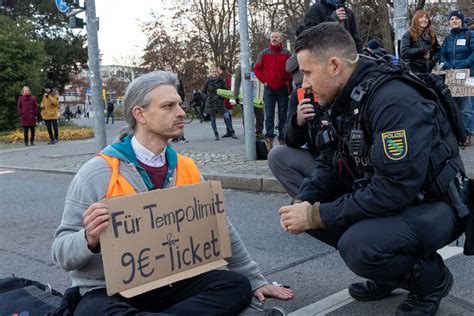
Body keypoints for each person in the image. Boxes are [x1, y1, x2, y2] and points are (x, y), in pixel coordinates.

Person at [51, 71, 293, 315]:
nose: (181, 112)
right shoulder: (97, 172)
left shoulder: (185, 167)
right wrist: (88, 239)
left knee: (236, 286)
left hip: (171, 282)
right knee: (91, 310)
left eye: (179, 104)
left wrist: (255, 279)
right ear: (140, 114)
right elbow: (61, 251)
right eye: (169, 106)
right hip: (112, 291)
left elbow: (220, 227)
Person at [279, 23, 466, 315]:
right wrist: (305, 200)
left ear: (334, 66)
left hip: (434, 204)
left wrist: (318, 215)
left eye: (307, 72)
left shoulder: (393, 100)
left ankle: (431, 281)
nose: (303, 83)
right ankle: (387, 273)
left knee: (359, 245)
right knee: (306, 210)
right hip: (392, 195)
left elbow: (394, 189)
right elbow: (331, 158)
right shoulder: (347, 96)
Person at [439, 9, 474, 146]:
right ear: (449, 22)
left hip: (468, 74)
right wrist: (447, 65)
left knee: (467, 107)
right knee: (453, 106)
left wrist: (462, 64)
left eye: (457, 18)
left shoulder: (470, 35)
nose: (454, 21)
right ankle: (456, 132)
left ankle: (467, 133)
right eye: (451, 19)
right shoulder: (448, 39)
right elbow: (442, 56)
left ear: (461, 20)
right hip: (452, 75)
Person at [254, 31, 292, 150]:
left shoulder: (287, 53)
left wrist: (288, 81)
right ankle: (269, 139)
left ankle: (282, 139)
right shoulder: (264, 53)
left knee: (283, 116)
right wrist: (264, 80)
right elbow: (257, 69)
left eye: (276, 37)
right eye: (272, 37)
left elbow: (291, 68)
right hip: (269, 88)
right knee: (269, 115)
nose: (274, 39)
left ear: (281, 39)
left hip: (282, 88)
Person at [202, 67, 235, 140]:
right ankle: (216, 134)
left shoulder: (221, 80)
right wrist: (207, 97)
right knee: (213, 119)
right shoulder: (208, 80)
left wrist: (222, 97)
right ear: (210, 73)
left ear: (217, 72)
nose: (214, 73)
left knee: (226, 116)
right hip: (211, 102)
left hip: (220, 102)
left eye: (215, 72)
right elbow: (203, 91)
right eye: (212, 72)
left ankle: (232, 132)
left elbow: (225, 90)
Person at [219, 64, 237, 139]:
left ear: (222, 70)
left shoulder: (228, 77)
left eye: (219, 69)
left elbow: (229, 88)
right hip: (225, 99)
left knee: (227, 116)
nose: (218, 71)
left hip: (227, 99)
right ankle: (229, 131)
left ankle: (230, 131)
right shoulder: (223, 77)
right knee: (227, 116)